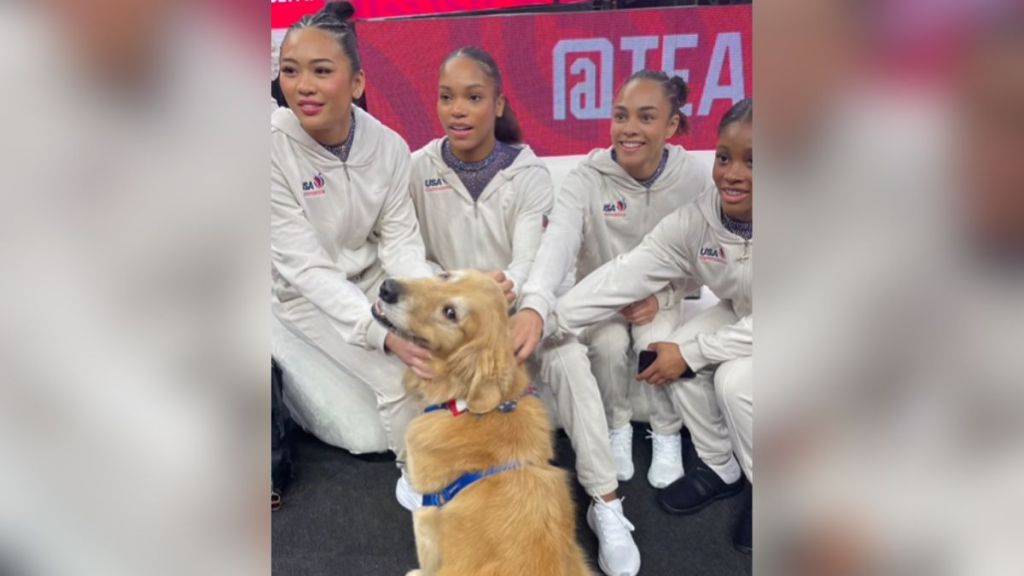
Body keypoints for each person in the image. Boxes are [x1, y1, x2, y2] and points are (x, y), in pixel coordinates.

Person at [510, 70, 714, 575]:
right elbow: (556, 246)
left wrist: (666, 293)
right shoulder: (587, 175)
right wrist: (536, 302)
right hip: (599, 297)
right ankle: (618, 427)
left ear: (672, 126)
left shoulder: (693, 178)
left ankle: (665, 434)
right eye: (621, 115)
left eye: (647, 117)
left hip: (657, 298)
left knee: (658, 339)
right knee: (600, 343)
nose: (629, 128)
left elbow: (701, 259)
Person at [557, 99, 754, 553]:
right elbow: (625, 272)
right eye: (724, 157)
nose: (733, 173)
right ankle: (720, 466)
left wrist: (695, 353)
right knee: (669, 349)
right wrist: (546, 320)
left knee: (734, 381)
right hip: (746, 313)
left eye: (754, 162)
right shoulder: (698, 219)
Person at [270, 1, 434, 511]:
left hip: (371, 279)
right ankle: (419, 479)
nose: (304, 86)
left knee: (441, 350)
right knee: (398, 376)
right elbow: (306, 268)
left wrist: (424, 305)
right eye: (291, 71)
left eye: (322, 71)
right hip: (298, 295)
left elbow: (401, 241)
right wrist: (382, 337)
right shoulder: (265, 146)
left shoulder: (388, 146)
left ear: (357, 82)